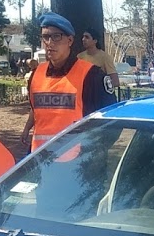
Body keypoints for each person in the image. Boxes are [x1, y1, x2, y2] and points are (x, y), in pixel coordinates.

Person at [21, 13, 115, 152]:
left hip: (78, 165)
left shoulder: (92, 76)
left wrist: (95, 157)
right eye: (45, 37)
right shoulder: (36, 74)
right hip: (39, 162)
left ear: (70, 40)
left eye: (56, 36)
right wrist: (27, 128)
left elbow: (111, 121)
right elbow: (36, 111)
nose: (50, 43)